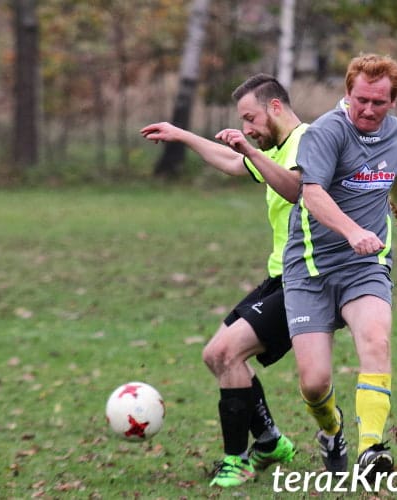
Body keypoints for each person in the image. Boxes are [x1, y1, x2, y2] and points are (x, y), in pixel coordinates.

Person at [140, 74, 305, 488]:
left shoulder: (307, 143)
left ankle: (238, 461)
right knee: (216, 356)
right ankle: (269, 442)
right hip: (278, 276)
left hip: (308, 281)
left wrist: (248, 147)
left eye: (250, 118)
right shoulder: (276, 147)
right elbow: (235, 162)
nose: (246, 128)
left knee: (228, 353)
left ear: (275, 108)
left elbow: (295, 189)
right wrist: (182, 135)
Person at [282, 53, 397, 478]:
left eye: (379, 102)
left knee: (376, 340)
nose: (369, 110)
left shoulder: (396, 132)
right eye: (361, 100)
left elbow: (396, 167)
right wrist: (351, 230)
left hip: (366, 264)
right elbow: (312, 193)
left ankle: (371, 449)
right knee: (314, 383)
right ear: (347, 93)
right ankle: (332, 429)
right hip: (311, 268)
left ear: (393, 101)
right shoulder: (325, 132)